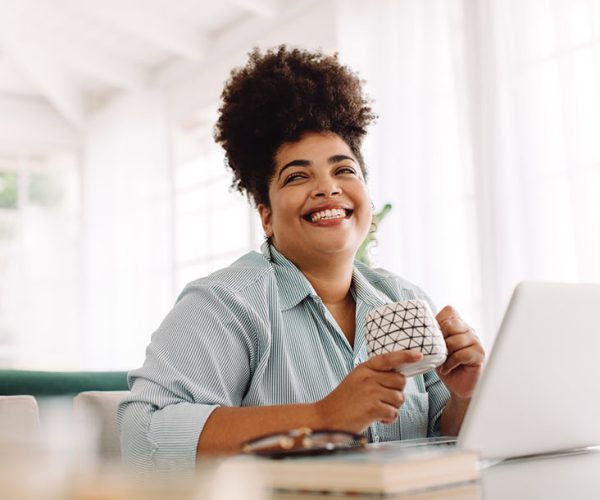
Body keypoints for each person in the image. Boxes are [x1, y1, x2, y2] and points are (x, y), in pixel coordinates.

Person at [118, 46, 485, 472]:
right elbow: (143, 438)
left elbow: (445, 439)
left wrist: (465, 395)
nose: (327, 188)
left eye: (344, 170)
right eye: (297, 176)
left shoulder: (404, 299)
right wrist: (321, 418)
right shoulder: (223, 304)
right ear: (266, 216)